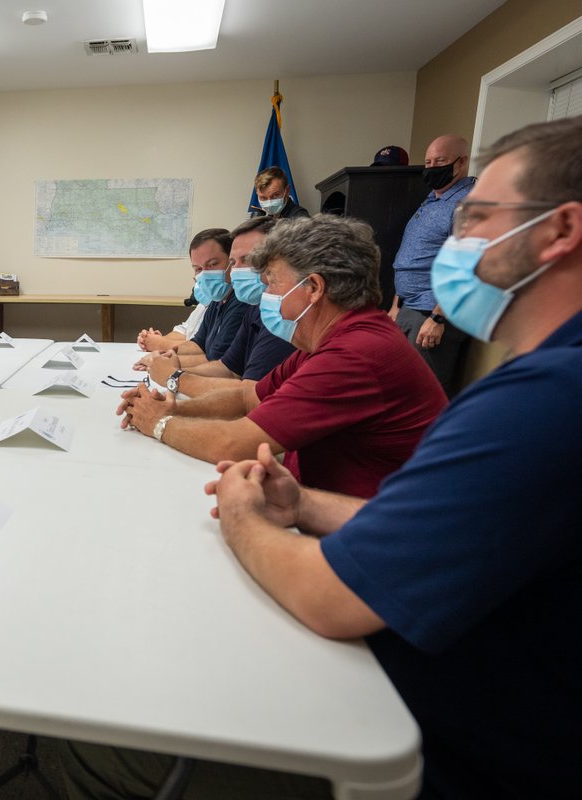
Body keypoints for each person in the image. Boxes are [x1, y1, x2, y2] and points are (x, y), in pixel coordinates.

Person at [207, 117, 582, 799]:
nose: (452, 244)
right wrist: (305, 503)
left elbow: (328, 599)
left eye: (476, 219)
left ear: (560, 230)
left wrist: (241, 513)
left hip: (460, 747)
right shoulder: (542, 381)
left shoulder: (547, 399)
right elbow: (451, 532)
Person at [118, 215, 446, 498]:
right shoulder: (329, 341)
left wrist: (158, 422)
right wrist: (175, 408)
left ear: (313, 287)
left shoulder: (355, 353)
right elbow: (248, 396)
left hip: (369, 528)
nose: (266, 294)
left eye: (273, 283)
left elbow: (235, 444)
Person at [143, 217, 295, 395]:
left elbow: (249, 395)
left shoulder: (282, 313)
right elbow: (227, 368)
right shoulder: (255, 306)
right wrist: (173, 369)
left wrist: (174, 377)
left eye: (248, 259)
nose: (235, 271)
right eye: (234, 262)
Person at [388, 134, 476, 394]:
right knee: (399, 389)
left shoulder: (467, 204)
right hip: (409, 307)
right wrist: (396, 305)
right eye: (428, 162)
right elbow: (413, 256)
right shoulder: (433, 199)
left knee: (423, 394)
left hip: (432, 312)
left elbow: (467, 266)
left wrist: (438, 317)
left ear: (461, 162)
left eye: (440, 161)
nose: (432, 167)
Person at [135, 229, 245, 367]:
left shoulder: (241, 302)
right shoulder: (218, 301)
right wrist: (164, 355)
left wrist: (164, 362)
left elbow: (218, 361)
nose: (205, 274)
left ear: (232, 261)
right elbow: (197, 345)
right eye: (198, 269)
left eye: (212, 264)